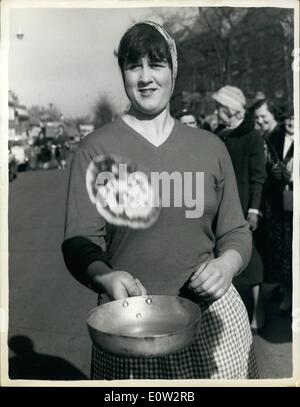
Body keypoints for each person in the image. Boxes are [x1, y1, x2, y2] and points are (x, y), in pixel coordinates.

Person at [62, 21, 257, 380]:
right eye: (134, 65)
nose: (146, 77)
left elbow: (235, 231)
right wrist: (104, 276)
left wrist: (226, 266)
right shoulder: (95, 150)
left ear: (174, 69)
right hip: (130, 325)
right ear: (122, 72)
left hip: (212, 321)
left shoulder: (210, 147)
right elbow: (80, 241)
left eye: (157, 64)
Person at [212, 85, 266, 334]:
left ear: (231, 110)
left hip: (243, 206)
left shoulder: (252, 136)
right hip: (221, 204)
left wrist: (253, 210)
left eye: (219, 107)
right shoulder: (220, 133)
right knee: (224, 257)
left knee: (251, 260)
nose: (216, 111)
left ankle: (259, 310)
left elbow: (258, 177)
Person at [252, 98, 292, 313]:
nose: (260, 121)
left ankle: (289, 293)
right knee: (279, 250)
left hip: (285, 201)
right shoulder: (267, 136)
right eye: (257, 117)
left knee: (286, 250)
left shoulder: (282, 134)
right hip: (274, 202)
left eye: (264, 116)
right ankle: (285, 288)